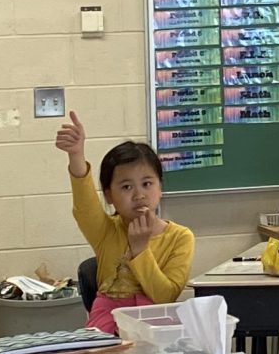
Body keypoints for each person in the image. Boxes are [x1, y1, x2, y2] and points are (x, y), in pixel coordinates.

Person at [54, 112, 194, 334]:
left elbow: (166, 296)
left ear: (160, 186)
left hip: (154, 323)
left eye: (147, 183)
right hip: (108, 322)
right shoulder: (106, 230)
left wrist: (140, 251)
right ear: (109, 196)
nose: (139, 195)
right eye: (126, 187)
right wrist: (76, 155)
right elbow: (85, 204)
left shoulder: (180, 237)